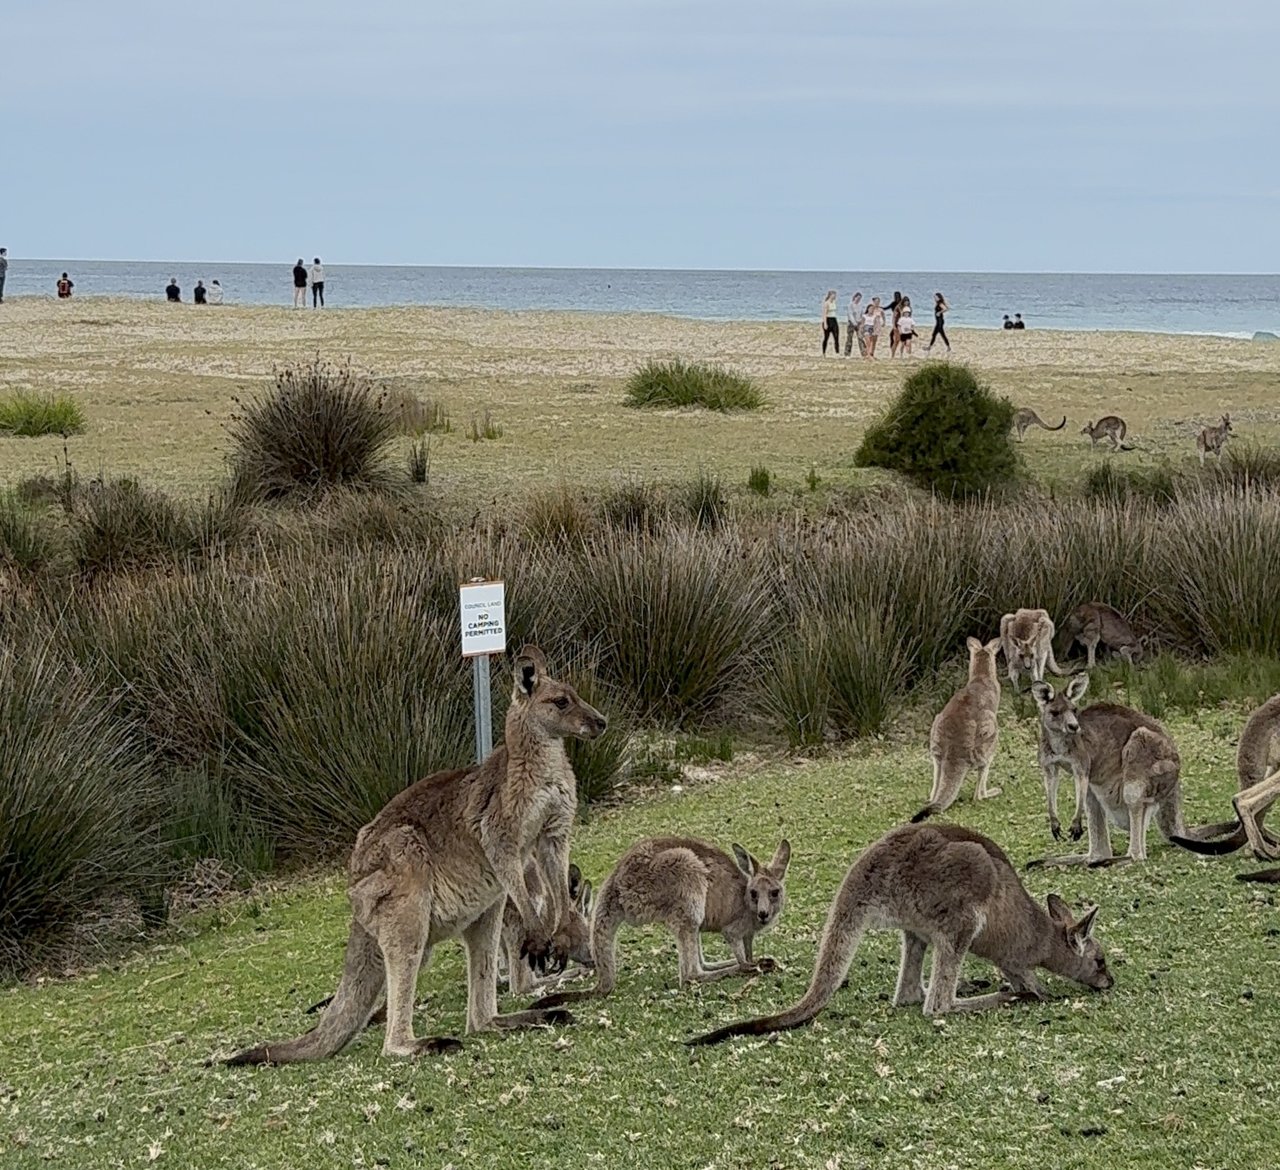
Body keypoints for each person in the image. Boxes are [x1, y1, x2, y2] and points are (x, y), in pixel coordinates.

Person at [844, 291, 864, 357]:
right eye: (857, 298)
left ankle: (863, 353)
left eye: (859, 298)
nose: (858, 299)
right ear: (855, 298)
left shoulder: (860, 305)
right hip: (851, 323)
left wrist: (861, 321)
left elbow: (861, 314)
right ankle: (847, 353)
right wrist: (854, 323)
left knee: (860, 338)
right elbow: (850, 315)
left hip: (859, 323)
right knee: (849, 338)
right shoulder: (851, 305)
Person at [821, 290, 839, 355]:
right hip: (828, 319)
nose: (835, 296)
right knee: (826, 337)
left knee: (836, 336)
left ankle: (837, 352)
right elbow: (824, 314)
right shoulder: (826, 303)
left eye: (835, 295)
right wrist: (825, 323)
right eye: (834, 295)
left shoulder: (834, 302)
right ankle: (824, 352)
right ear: (830, 295)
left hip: (834, 319)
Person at [887, 290, 904, 356]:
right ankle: (893, 353)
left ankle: (899, 354)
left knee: (901, 340)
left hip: (901, 323)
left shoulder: (902, 305)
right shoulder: (895, 305)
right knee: (896, 339)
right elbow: (894, 316)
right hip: (897, 323)